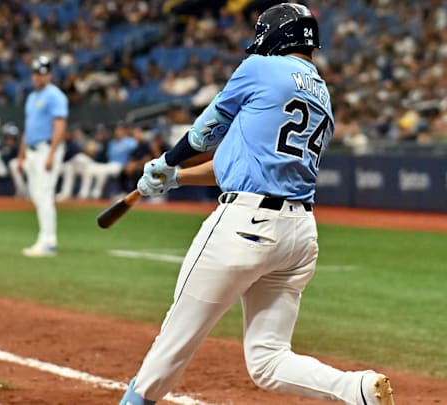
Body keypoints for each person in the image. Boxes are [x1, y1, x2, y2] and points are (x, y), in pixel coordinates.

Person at [120, 4, 394, 405]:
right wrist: (176, 179)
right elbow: (243, 160)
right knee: (268, 360)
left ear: (279, 35)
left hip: (244, 223)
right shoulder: (322, 94)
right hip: (299, 236)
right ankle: (358, 389)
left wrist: (167, 161)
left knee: (175, 336)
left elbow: (204, 132)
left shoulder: (260, 68)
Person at [17, 55, 68, 257]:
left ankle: (49, 241)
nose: (38, 77)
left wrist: (52, 153)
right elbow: (28, 128)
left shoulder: (55, 95)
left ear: (49, 75)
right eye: (36, 73)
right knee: (37, 196)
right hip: (31, 150)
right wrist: (21, 155)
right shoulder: (31, 97)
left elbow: (60, 125)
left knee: (45, 195)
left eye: (42, 73)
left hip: (47, 149)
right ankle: (43, 237)